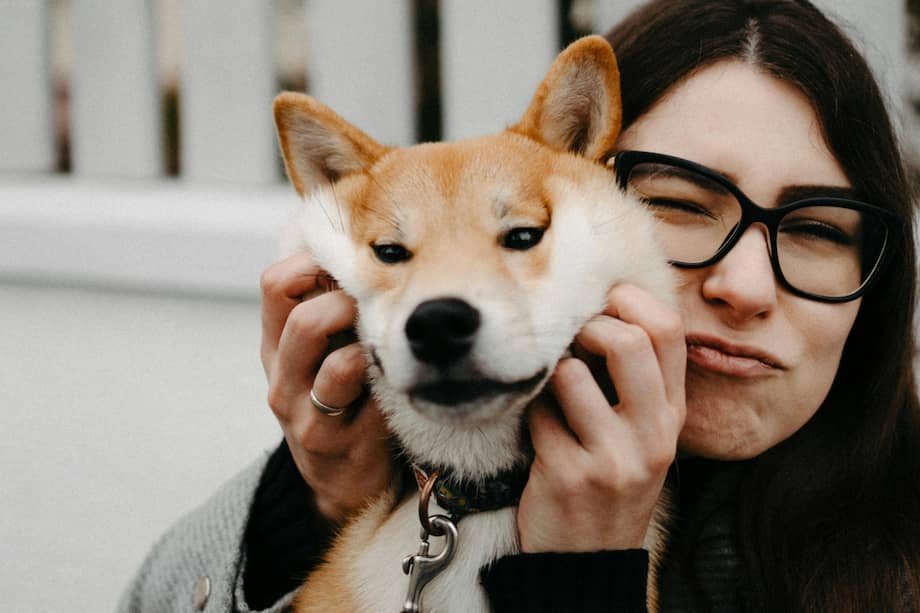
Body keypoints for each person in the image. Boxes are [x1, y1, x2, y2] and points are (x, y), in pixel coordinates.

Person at [117, 1, 920, 611]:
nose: (743, 286)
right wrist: (314, 501)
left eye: (816, 226)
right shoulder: (419, 447)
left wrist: (578, 584)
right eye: (678, 203)